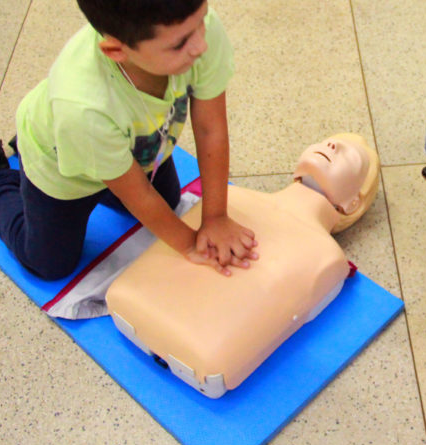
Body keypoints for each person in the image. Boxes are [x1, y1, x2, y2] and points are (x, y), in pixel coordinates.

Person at [0, 0, 258, 281]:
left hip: (138, 144)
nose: (201, 45)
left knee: (168, 209)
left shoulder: (193, 29)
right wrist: (191, 246)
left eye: (201, 23)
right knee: (49, 265)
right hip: (62, 169)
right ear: (117, 50)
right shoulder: (83, 109)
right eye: (181, 43)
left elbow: (211, 128)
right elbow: (135, 194)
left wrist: (215, 218)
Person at [106, 133, 380, 397]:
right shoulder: (229, 200)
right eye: (326, 141)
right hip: (158, 321)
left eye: (349, 156)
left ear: (353, 202)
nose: (331, 145)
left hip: (199, 354)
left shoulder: (327, 258)